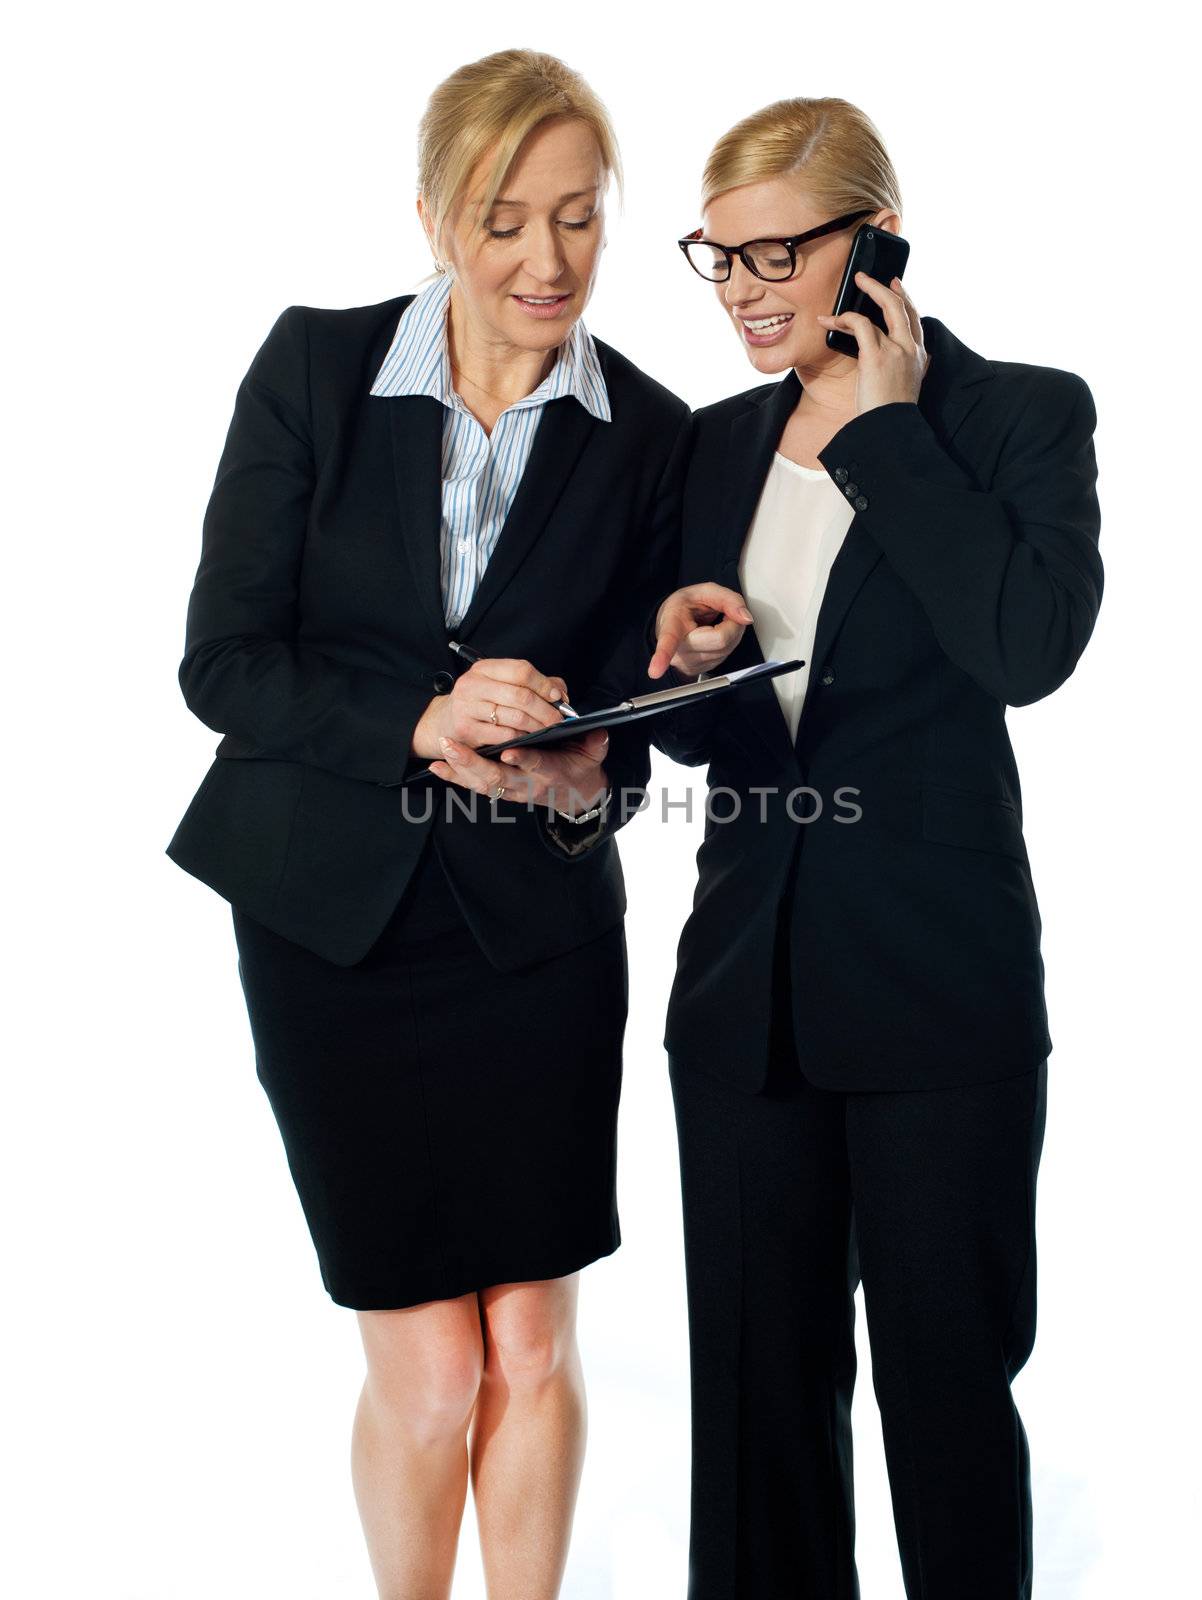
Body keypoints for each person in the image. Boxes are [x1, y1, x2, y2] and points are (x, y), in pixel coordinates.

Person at [166, 49, 688, 1600]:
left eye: (582, 219)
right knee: (432, 1369)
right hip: (333, 927)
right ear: (434, 218)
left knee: (531, 1343)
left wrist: (581, 771)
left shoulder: (652, 434)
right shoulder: (316, 371)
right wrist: (417, 719)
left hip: (530, 940)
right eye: (506, 218)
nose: (547, 261)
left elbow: (635, 727)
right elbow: (224, 662)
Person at [646, 96, 1102, 1599]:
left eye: (786, 249)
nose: (751, 289)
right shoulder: (710, 448)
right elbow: (717, 736)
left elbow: (1024, 647)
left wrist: (889, 435)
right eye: (725, 257)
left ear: (879, 237)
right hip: (744, 1009)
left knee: (948, 1406)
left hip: (935, 1002)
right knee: (761, 1424)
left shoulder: (1014, 415)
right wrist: (678, 673)